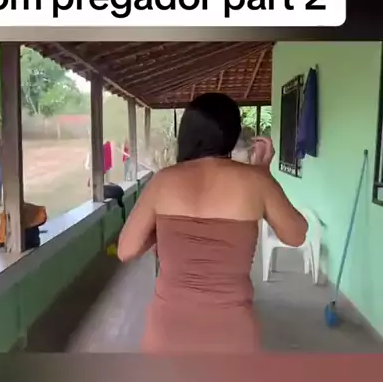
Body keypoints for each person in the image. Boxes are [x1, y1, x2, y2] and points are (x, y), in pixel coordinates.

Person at [117, 93, 308, 353]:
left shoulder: (164, 181)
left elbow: (126, 250)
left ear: (186, 133)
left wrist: (163, 227)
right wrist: (264, 175)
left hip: (168, 332)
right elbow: (296, 235)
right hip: (232, 336)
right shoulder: (256, 181)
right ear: (232, 133)